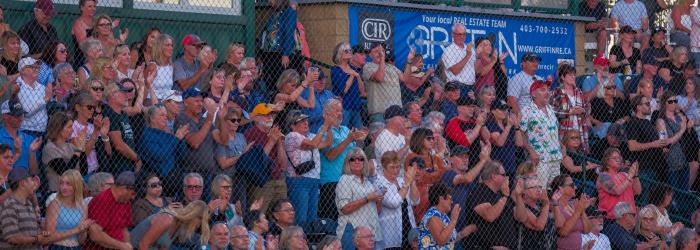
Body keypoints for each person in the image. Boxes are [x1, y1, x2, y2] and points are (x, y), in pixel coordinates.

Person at [318, 99, 365, 220]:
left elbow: (355, 154)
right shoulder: (322, 131)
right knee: (333, 218)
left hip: (349, 180)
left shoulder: (345, 130)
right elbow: (330, 155)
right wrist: (349, 139)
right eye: (336, 110)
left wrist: (360, 140)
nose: (340, 113)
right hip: (332, 182)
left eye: (341, 110)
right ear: (327, 114)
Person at [283, 109, 331, 228]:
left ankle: (308, 242)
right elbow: (314, 145)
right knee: (301, 218)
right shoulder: (292, 135)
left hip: (313, 180)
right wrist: (324, 126)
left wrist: (329, 126)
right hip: (299, 180)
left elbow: (328, 142)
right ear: (292, 126)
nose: (306, 123)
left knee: (312, 218)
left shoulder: (310, 137)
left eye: (306, 120)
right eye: (301, 121)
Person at [463, 161, 518, 249]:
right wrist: (505, 196)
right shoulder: (479, 192)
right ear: (494, 176)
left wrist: (518, 195)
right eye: (503, 174)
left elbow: (519, 217)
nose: (506, 177)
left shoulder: (500, 194)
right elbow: (490, 216)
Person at [335, 147, 382, 242]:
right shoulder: (345, 180)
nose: (357, 161)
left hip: (370, 233)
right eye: (353, 159)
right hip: (353, 235)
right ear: (347, 162)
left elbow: (377, 211)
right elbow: (344, 208)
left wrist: (378, 200)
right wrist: (367, 199)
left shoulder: (368, 182)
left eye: (361, 159)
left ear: (365, 162)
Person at [246, 104, 287, 212]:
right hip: (261, 182)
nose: (270, 117)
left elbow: (283, 165)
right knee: (260, 216)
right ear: (256, 117)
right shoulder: (251, 133)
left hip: (278, 179)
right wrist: (272, 141)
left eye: (271, 114)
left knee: (282, 215)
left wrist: (278, 142)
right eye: (266, 115)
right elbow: (257, 163)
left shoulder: (274, 132)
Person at [520, 79, 562, 187]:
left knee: (555, 189)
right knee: (540, 189)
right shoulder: (527, 110)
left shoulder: (551, 109)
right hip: (540, 159)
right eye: (543, 90)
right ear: (533, 94)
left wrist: (562, 145)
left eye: (548, 89)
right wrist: (531, 151)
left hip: (556, 157)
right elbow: (521, 134)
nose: (547, 92)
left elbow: (554, 130)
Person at [441, 144, 490, 234]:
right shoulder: (448, 174)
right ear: (451, 159)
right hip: (447, 229)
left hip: (466, 230)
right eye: (460, 156)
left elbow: (491, 176)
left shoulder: (472, 176)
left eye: (467, 157)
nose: (465, 159)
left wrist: (486, 156)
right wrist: (482, 161)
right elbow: (467, 178)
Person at [626, 95, 667, 199]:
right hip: (643, 169)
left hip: (655, 168)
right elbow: (632, 146)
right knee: (644, 202)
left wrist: (662, 148)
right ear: (638, 107)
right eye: (647, 104)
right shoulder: (633, 123)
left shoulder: (647, 122)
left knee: (653, 201)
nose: (650, 106)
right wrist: (653, 144)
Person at [174, 87, 218, 185]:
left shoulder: (203, 120)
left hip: (208, 173)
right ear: (185, 102)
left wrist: (222, 117)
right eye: (196, 101)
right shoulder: (181, 118)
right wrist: (210, 118)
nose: (200, 104)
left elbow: (222, 140)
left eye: (201, 101)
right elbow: (195, 143)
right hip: (190, 174)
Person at [376, 151, 420, 249]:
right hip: (391, 230)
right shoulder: (380, 183)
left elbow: (415, 201)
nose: (395, 170)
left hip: (409, 226)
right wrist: (407, 183)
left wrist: (412, 181)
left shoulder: (401, 180)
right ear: (384, 167)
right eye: (392, 167)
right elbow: (394, 202)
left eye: (398, 167)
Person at [84, 171, 135, 250]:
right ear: (124, 188)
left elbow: (124, 229)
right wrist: (122, 246)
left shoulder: (125, 201)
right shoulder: (101, 200)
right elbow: (95, 235)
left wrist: (128, 245)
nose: (133, 198)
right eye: (132, 194)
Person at [130, 200, 210, 249]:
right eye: (200, 220)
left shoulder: (179, 226)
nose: (199, 225)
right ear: (193, 216)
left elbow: (163, 248)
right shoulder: (167, 219)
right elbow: (143, 244)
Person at [419, 181, 477, 250]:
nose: (452, 202)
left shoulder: (443, 216)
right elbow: (441, 241)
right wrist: (454, 220)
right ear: (441, 198)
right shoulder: (433, 216)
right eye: (450, 198)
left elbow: (448, 240)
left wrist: (462, 234)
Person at [44, 169, 93, 250]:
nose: (64, 187)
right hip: (58, 247)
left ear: (76, 185)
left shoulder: (83, 206)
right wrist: (76, 230)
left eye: (68, 184)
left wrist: (83, 230)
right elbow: (49, 237)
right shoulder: (55, 204)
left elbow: (81, 240)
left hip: (76, 247)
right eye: (61, 183)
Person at [405, 128, 447, 220]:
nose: (432, 141)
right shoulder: (411, 157)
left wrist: (430, 175)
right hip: (419, 196)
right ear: (419, 139)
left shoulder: (435, 158)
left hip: (434, 196)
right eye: (428, 138)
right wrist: (435, 174)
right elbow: (419, 177)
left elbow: (444, 174)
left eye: (432, 138)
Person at [139, 105, 189, 181]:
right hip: (156, 179)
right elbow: (160, 156)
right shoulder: (147, 135)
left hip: (173, 179)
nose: (165, 117)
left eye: (166, 115)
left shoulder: (168, 135)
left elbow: (183, 156)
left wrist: (181, 138)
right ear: (152, 118)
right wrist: (176, 138)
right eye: (162, 115)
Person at [0, 168, 46, 249]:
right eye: (31, 180)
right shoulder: (9, 205)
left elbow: (34, 232)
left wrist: (43, 234)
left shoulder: (28, 204)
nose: (34, 184)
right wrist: (37, 239)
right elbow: (13, 238)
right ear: (23, 183)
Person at [42, 112, 88, 192]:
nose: (72, 130)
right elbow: (65, 172)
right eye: (69, 127)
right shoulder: (50, 148)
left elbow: (84, 170)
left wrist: (82, 149)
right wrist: (78, 150)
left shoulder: (71, 146)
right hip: (57, 193)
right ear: (59, 129)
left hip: (74, 193)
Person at [657, 91, 693, 192]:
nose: (673, 103)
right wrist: (682, 130)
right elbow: (665, 142)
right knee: (673, 194)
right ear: (664, 103)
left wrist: (687, 127)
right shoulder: (661, 121)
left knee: (684, 191)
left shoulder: (679, 117)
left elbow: (687, 133)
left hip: (683, 159)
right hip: (671, 163)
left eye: (675, 101)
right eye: (670, 101)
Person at [551, 64, 590, 153]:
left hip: (580, 129)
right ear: (562, 77)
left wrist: (583, 110)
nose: (573, 77)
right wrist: (569, 112)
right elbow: (552, 111)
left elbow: (588, 107)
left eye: (574, 74)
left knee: (580, 157)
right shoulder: (557, 92)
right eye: (570, 75)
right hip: (565, 130)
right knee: (566, 155)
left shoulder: (579, 91)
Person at [102, 83, 139, 174]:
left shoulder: (123, 114)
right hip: (117, 167)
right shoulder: (109, 113)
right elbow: (118, 145)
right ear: (112, 94)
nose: (127, 95)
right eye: (123, 92)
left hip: (129, 164)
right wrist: (137, 159)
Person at [597, 148, 642, 220]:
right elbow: (617, 191)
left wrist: (635, 175)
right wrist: (630, 176)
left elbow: (638, 191)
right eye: (614, 158)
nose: (618, 160)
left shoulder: (624, 175)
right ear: (606, 161)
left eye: (619, 157)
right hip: (612, 219)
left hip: (629, 219)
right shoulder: (603, 176)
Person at [363, 42, 404, 122]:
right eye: (376, 51)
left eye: (382, 51)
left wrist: (409, 62)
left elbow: (405, 79)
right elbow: (379, 78)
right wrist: (382, 59)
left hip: (396, 111)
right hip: (380, 113)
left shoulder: (391, 67)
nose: (380, 53)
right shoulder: (368, 66)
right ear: (370, 54)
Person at [550, 174, 593, 249]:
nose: (575, 187)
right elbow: (563, 232)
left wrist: (582, 210)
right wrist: (578, 211)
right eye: (572, 185)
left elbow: (587, 230)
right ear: (561, 188)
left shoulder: (573, 204)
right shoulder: (554, 205)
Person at [481, 101, 522, 174]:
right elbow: (500, 143)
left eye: (506, 109)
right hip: (497, 168)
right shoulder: (490, 124)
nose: (505, 111)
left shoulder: (508, 124)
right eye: (502, 109)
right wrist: (509, 126)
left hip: (511, 166)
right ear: (493, 111)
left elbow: (519, 144)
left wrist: (516, 126)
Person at [0, 98, 40, 172]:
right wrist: (16, 153)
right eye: (17, 115)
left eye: (22, 114)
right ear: (5, 116)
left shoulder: (29, 139)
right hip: (6, 182)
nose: (21, 118)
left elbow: (34, 171)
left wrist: (31, 152)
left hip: (25, 180)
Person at [515, 176, 555, 250]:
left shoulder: (540, 206)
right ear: (524, 191)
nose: (538, 190)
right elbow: (539, 225)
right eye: (534, 187)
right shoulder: (522, 208)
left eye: (539, 187)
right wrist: (546, 204)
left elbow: (559, 223)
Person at [331, 42, 364, 129]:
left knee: (358, 134)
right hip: (343, 107)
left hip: (356, 106)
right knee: (343, 131)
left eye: (350, 50)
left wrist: (357, 76)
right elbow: (344, 90)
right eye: (346, 51)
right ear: (340, 54)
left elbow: (362, 91)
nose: (349, 52)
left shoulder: (353, 69)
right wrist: (353, 75)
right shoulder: (336, 70)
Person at [16, 57, 49, 137]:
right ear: (22, 70)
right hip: (26, 131)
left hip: (43, 131)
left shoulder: (42, 87)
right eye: (31, 67)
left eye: (37, 67)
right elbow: (27, 111)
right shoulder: (17, 86)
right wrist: (46, 99)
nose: (36, 69)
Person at [442, 23, 476, 95]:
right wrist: (467, 55)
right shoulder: (448, 50)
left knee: (472, 106)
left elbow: (474, 69)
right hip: (456, 87)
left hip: (471, 86)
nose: (462, 37)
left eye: (464, 34)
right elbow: (455, 71)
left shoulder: (470, 49)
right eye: (459, 34)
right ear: (453, 34)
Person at [145, 34, 175, 101]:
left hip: (167, 100)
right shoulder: (153, 66)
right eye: (167, 45)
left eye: (171, 45)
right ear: (160, 47)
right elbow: (144, 89)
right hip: (152, 100)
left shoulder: (171, 66)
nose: (171, 48)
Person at [71, 0, 98, 66]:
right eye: (90, 6)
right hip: (82, 62)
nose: (93, 9)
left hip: (97, 60)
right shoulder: (78, 23)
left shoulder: (96, 22)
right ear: (82, 8)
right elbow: (84, 45)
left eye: (94, 6)